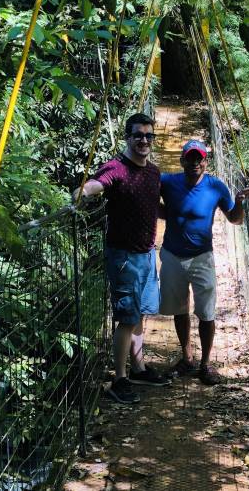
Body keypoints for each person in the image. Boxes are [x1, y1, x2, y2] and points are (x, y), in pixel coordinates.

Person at [73, 113, 170, 404]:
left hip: (147, 254)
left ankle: (138, 368)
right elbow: (97, 184)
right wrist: (83, 191)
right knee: (127, 319)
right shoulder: (115, 168)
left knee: (139, 314)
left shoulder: (153, 172)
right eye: (138, 135)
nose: (144, 140)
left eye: (148, 136)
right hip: (124, 257)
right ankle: (119, 379)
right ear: (127, 137)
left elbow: (154, 206)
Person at [159, 139, 249, 386]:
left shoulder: (216, 186)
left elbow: (235, 219)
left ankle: (205, 363)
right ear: (182, 161)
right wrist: (168, 213)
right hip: (172, 255)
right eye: (190, 158)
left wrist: (239, 202)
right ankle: (187, 358)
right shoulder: (167, 182)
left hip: (202, 257)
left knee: (207, 312)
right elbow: (148, 199)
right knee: (179, 309)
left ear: (206, 162)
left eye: (199, 158)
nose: (194, 163)